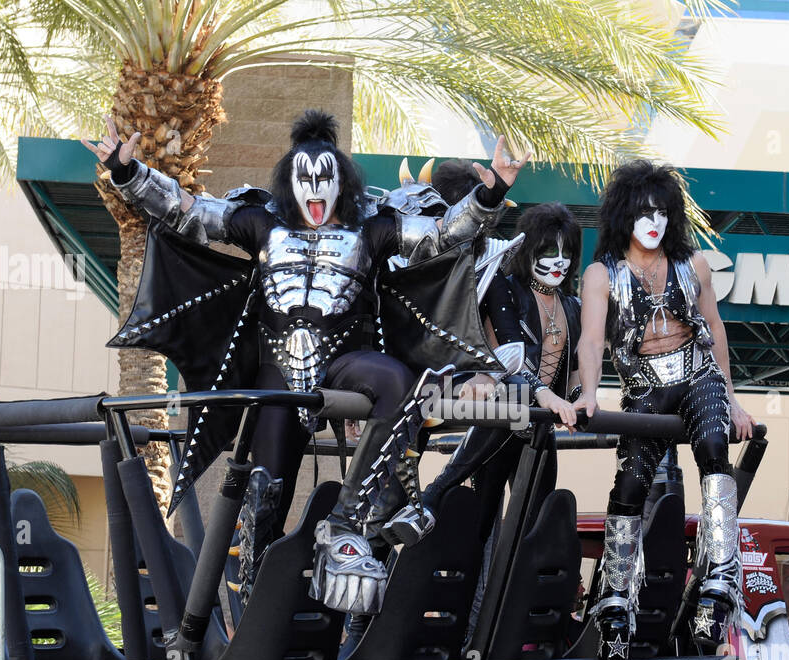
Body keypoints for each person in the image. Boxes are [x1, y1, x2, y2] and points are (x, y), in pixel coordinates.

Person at [86, 110, 530, 616]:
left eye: (325, 180)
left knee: (398, 381)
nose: (316, 191)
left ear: (342, 182)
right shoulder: (260, 222)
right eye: (306, 180)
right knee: (266, 493)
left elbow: (443, 234)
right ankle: (253, 613)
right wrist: (128, 172)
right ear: (290, 181)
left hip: (345, 361)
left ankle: (345, 523)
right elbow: (189, 212)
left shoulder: (372, 228)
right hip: (275, 370)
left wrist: (491, 193)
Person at [574, 159, 756, 660]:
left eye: (661, 212)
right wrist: (589, 393)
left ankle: (719, 581)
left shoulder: (693, 264)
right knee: (630, 485)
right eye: (642, 212)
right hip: (644, 386)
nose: (653, 222)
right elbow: (590, 340)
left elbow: (715, 328)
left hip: (698, 375)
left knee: (715, 448)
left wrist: (733, 400)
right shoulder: (601, 274)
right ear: (623, 216)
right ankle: (615, 601)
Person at [383, 201, 583, 549]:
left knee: (533, 529)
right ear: (530, 249)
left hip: (540, 428)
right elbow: (500, 361)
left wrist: (578, 401)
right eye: (549, 250)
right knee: (479, 526)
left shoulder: (572, 307)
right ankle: (430, 501)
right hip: (502, 415)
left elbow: (575, 369)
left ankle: (431, 504)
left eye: (567, 252)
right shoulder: (506, 289)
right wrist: (544, 394)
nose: (559, 261)